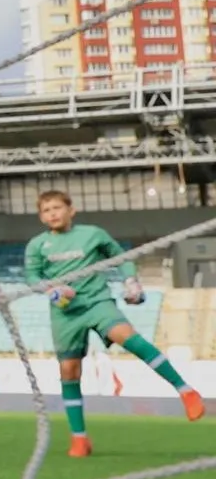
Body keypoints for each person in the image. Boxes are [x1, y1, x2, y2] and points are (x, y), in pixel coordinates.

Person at [25, 189, 203, 457]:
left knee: (127, 337)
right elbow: (32, 275)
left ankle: (186, 390)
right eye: (46, 210)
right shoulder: (37, 245)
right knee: (69, 371)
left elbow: (121, 257)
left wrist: (130, 281)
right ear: (41, 217)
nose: (53, 213)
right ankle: (79, 438)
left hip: (97, 302)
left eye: (57, 208)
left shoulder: (92, 234)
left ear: (71, 210)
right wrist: (52, 290)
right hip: (65, 313)